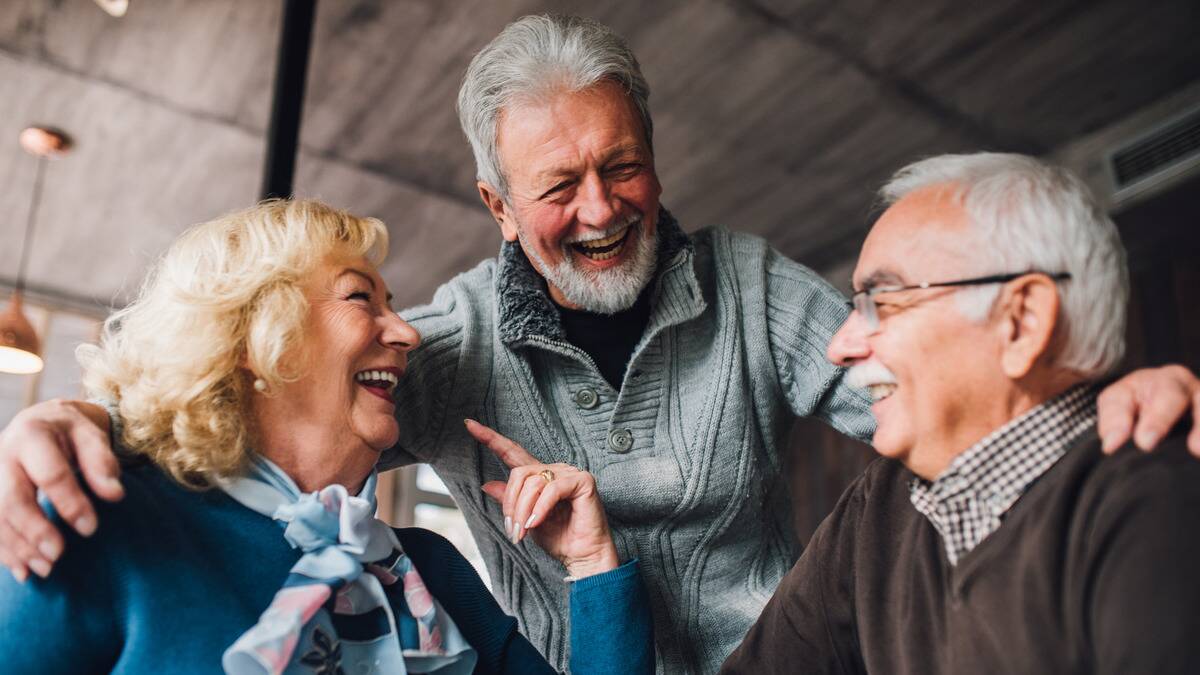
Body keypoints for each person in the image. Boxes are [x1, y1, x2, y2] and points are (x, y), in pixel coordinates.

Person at [1, 15, 1199, 674]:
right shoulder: (450, 342)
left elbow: (940, 384)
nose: (601, 207)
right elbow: (277, 401)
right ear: (496, 206)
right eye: (559, 183)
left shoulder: (750, 287)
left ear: (655, 159)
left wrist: (1093, 391)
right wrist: (86, 427)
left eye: (622, 165)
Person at [0, 200, 653, 674]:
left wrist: (592, 561)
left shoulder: (425, 572)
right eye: (359, 298)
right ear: (259, 339)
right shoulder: (97, 522)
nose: (407, 332)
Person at [721, 153, 1200, 674]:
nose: (839, 346)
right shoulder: (878, 510)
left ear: (1021, 321)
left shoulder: (1156, 503)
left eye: (881, 300)